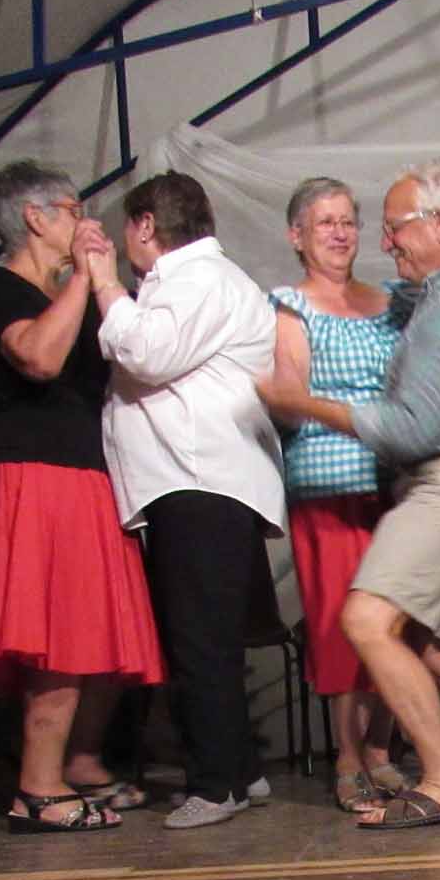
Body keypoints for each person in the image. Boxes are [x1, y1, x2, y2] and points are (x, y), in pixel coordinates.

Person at [256, 159, 440, 829]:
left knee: (365, 622)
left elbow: (411, 429)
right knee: (424, 640)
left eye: (392, 227)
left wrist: (306, 403)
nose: (383, 240)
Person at [0, 160, 166, 834]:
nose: (86, 221)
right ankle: (37, 788)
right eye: (75, 209)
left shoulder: (73, 291)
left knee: (103, 633)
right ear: (35, 217)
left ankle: (80, 761)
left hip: (91, 475)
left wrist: (104, 280)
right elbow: (40, 358)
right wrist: (80, 277)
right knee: (60, 636)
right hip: (35, 475)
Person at [82, 171, 286, 830]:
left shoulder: (197, 278)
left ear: (145, 225)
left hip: (197, 477)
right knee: (212, 638)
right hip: (204, 478)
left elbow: (148, 352)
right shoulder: (205, 279)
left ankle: (215, 785)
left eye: (126, 229)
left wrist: (105, 284)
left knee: (199, 640)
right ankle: (240, 770)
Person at [267, 177, 416, 814]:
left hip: (397, 482)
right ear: (296, 236)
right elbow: (289, 398)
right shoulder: (289, 305)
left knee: (405, 618)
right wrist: (358, 416)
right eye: (324, 222)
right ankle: (348, 758)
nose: (339, 232)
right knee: (340, 625)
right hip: (329, 486)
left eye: (347, 221)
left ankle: (380, 746)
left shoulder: (393, 301)